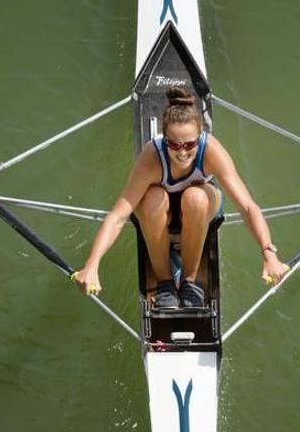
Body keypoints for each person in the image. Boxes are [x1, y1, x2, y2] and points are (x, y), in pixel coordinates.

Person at [72, 86, 289, 308]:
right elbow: (118, 217)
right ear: (164, 138)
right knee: (154, 197)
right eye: (174, 144)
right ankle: (164, 282)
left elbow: (247, 206)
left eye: (190, 144)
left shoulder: (212, 151)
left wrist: (268, 253)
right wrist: (92, 264)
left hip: (200, 206)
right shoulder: (151, 158)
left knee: (195, 198)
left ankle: (190, 281)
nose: (182, 152)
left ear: (200, 135)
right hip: (158, 209)